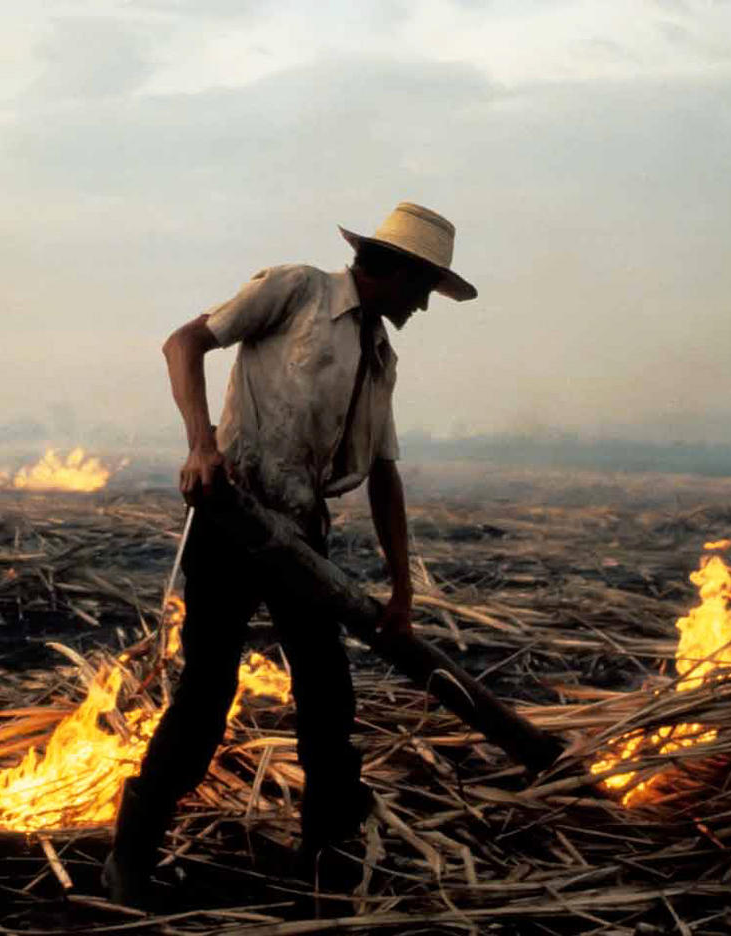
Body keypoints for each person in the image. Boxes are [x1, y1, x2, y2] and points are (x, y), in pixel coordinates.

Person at [103, 202, 478, 906]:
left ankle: (325, 854)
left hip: (302, 537)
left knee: (327, 695)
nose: (424, 306)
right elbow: (183, 343)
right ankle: (131, 855)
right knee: (207, 693)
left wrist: (402, 590)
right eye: (423, 288)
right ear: (393, 270)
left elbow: (384, 473)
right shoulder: (296, 289)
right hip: (232, 517)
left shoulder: (377, 354)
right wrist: (200, 444)